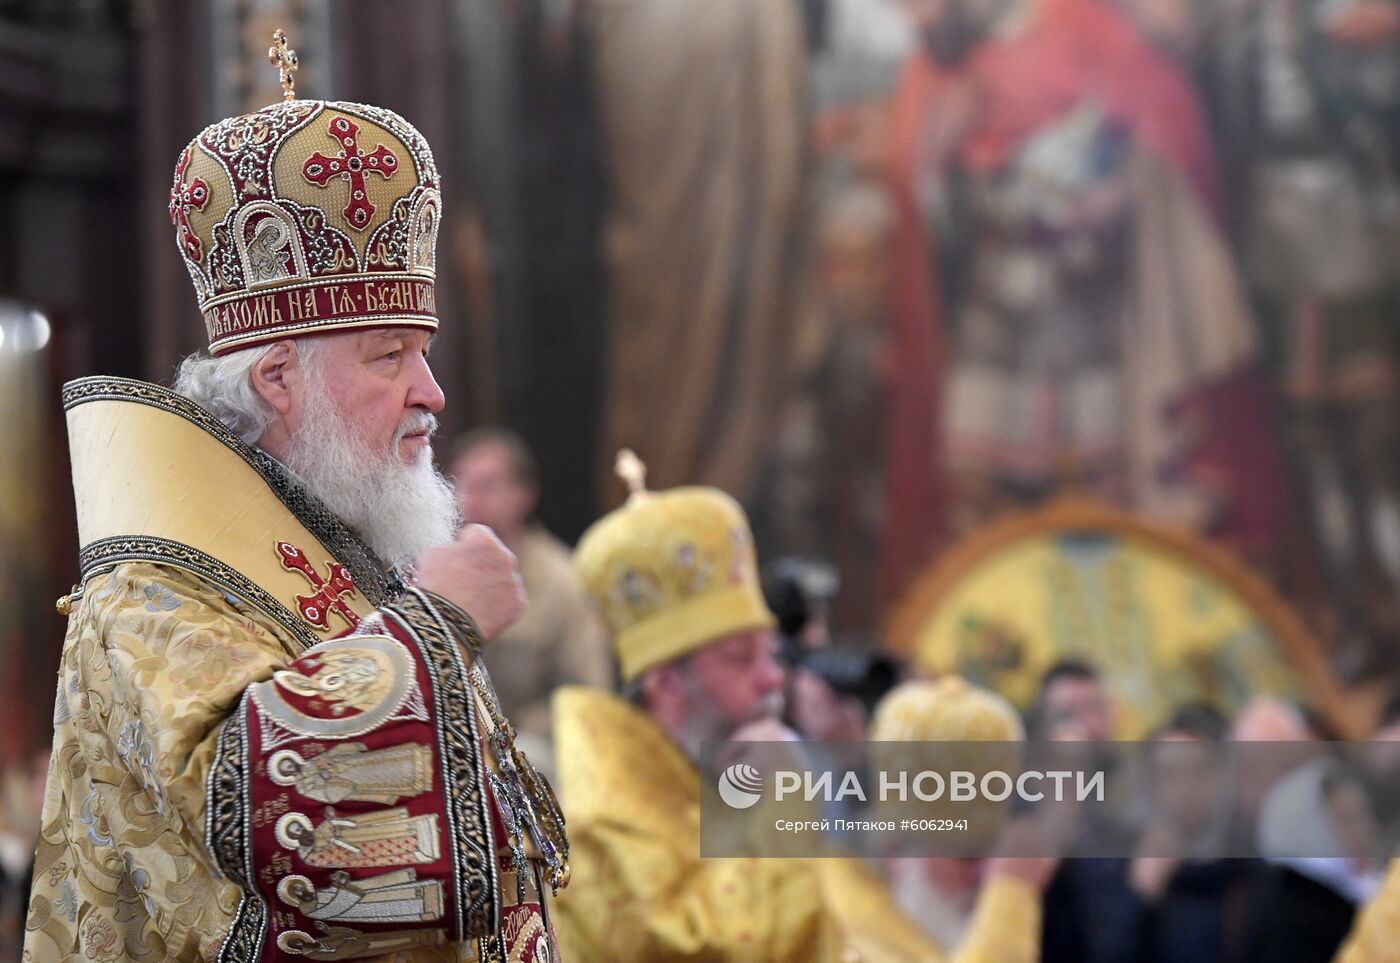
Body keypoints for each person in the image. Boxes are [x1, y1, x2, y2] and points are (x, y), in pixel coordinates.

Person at [24, 34, 566, 963]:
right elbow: (270, 815)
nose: (431, 391)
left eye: (422, 352)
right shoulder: (152, 593)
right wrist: (436, 628)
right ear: (278, 376)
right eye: (390, 355)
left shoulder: (353, 560)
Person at [550, 452, 1038, 961]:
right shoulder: (602, 823)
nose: (771, 679)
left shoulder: (710, 778)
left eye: (769, 653)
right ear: (666, 685)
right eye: (740, 659)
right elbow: (739, 946)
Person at [882, 0, 1292, 599]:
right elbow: (929, 193)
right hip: (996, 316)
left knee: (1103, 486)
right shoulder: (950, 67)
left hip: (1088, 314)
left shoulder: (1105, 37)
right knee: (985, 487)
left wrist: (1101, 201)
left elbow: (1157, 145)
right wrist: (958, 176)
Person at [450, 428, 612, 769]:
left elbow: (589, 695)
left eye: (487, 486)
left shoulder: (562, 581)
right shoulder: (437, 569)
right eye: (462, 484)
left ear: (524, 494)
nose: (470, 499)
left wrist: (504, 734)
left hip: (528, 745)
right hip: (455, 740)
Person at [863, 676, 1055, 958]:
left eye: (994, 850)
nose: (988, 872)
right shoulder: (849, 921)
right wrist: (1010, 893)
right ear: (896, 855)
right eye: (968, 859)